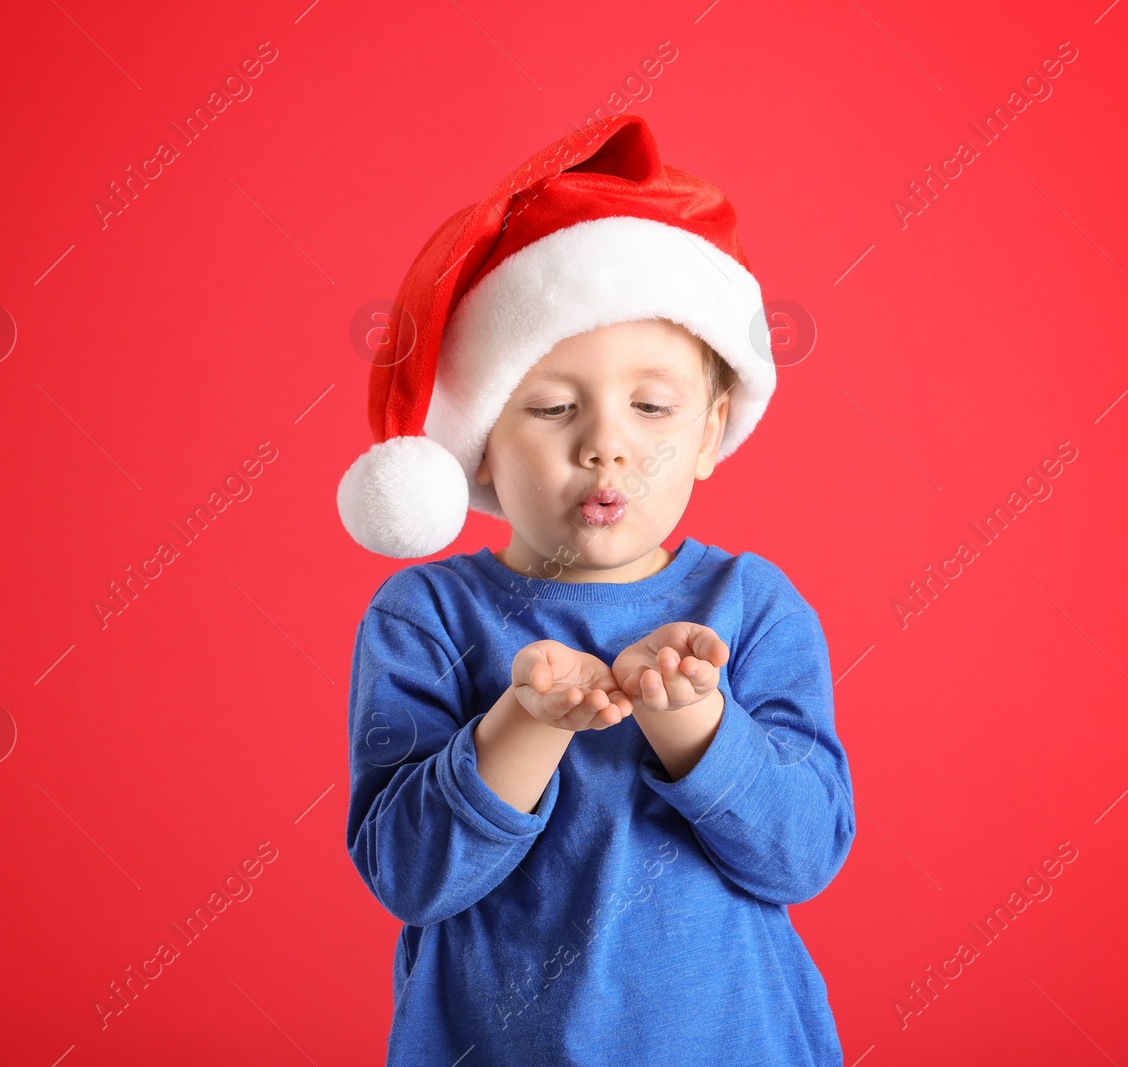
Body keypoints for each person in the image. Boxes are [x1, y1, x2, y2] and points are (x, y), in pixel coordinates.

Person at [337, 112, 855, 1065]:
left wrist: (696, 722)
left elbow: (804, 852)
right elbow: (409, 873)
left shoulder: (755, 606)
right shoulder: (427, 620)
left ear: (707, 432)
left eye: (651, 406)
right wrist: (525, 721)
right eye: (552, 407)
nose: (605, 443)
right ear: (483, 436)